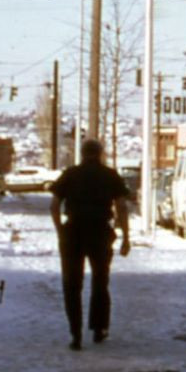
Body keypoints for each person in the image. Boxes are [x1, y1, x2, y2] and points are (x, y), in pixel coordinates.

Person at [50, 138, 131, 350]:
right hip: (100, 232)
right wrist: (126, 237)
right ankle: (99, 329)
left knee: (72, 284)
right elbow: (122, 206)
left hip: (73, 231)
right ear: (100, 153)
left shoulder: (70, 174)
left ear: (83, 153)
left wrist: (60, 230)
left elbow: (54, 205)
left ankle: (75, 334)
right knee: (100, 281)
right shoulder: (110, 175)